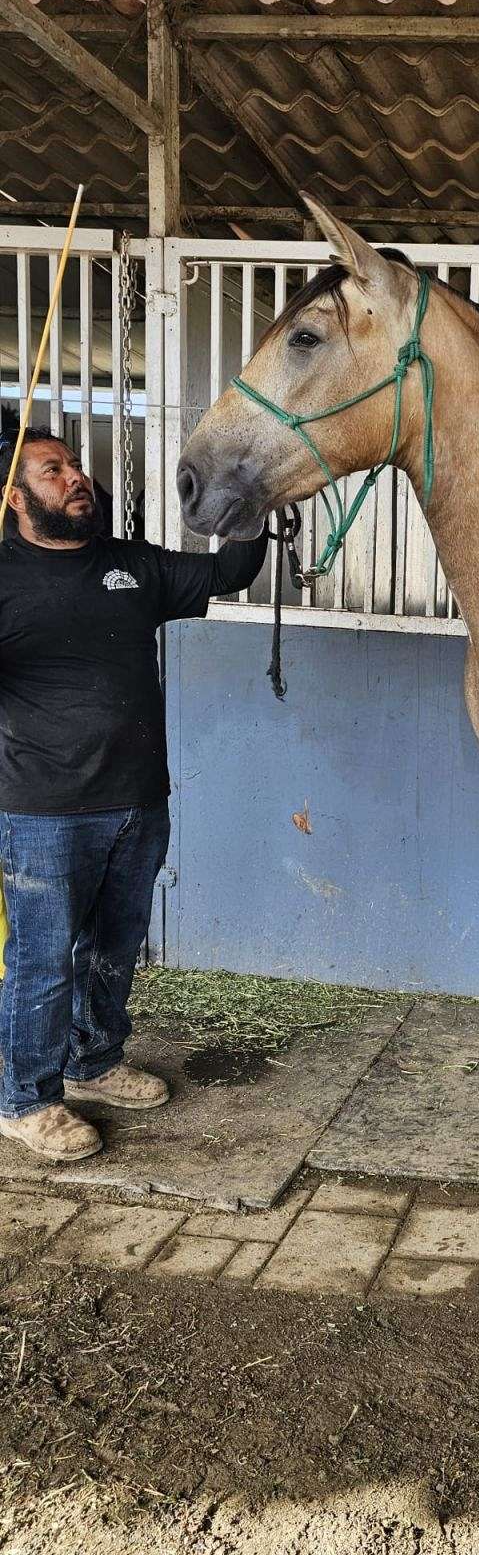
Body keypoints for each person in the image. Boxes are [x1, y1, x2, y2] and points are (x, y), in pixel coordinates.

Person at [0, 428, 267, 1162]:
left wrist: (252, 501)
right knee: (42, 960)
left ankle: (94, 1061)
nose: (75, 478)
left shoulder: (130, 566)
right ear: (15, 497)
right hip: (43, 811)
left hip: (139, 801)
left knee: (113, 947)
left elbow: (229, 572)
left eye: (75, 466)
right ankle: (26, 1099)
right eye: (53, 471)